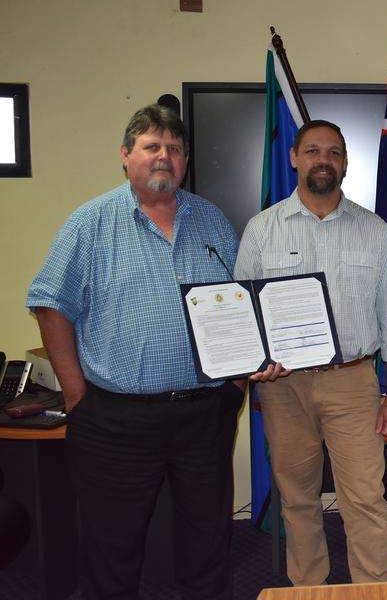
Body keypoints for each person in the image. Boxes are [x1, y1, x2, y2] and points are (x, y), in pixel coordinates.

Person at [26, 104, 246, 600]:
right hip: (114, 419)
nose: (163, 157)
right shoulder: (91, 223)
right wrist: (78, 395)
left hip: (203, 414)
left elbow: (240, 306)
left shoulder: (213, 222)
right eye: (151, 147)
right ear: (126, 156)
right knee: (111, 551)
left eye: (173, 149)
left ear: (185, 160)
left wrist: (236, 384)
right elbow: (50, 306)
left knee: (207, 542)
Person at [234, 119, 387, 586]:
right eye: (313, 151)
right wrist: (254, 361)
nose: (323, 160)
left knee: (365, 501)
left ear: (346, 163)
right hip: (284, 386)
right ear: (294, 157)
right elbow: (241, 315)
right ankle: (308, 591)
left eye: (334, 152)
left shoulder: (373, 232)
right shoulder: (261, 230)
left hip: (352, 383)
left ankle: (375, 595)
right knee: (298, 500)